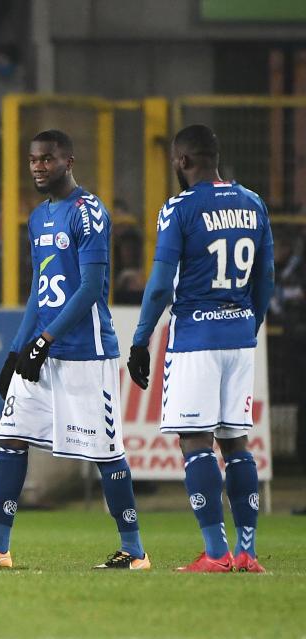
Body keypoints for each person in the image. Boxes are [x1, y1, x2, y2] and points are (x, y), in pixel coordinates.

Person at [0, 130, 149, 570]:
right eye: (34, 160)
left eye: (48, 160)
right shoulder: (38, 217)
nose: (38, 167)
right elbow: (40, 290)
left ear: (69, 161)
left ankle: (134, 551)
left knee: (105, 452)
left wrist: (46, 339)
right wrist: (18, 351)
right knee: (11, 437)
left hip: (85, 353)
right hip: (43, 350)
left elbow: (92, 288)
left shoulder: (88, 212)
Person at [127, 125, 274, 573]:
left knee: (196, 443)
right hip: (240, 335)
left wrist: (140, 339)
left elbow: (158, 287)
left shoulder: (180, 208)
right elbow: (264, 279)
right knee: (236, 442)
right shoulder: (254, 203)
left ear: (182, 161)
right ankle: (246, 552)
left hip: (196, 338)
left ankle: (215, 553)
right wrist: (249, 324)